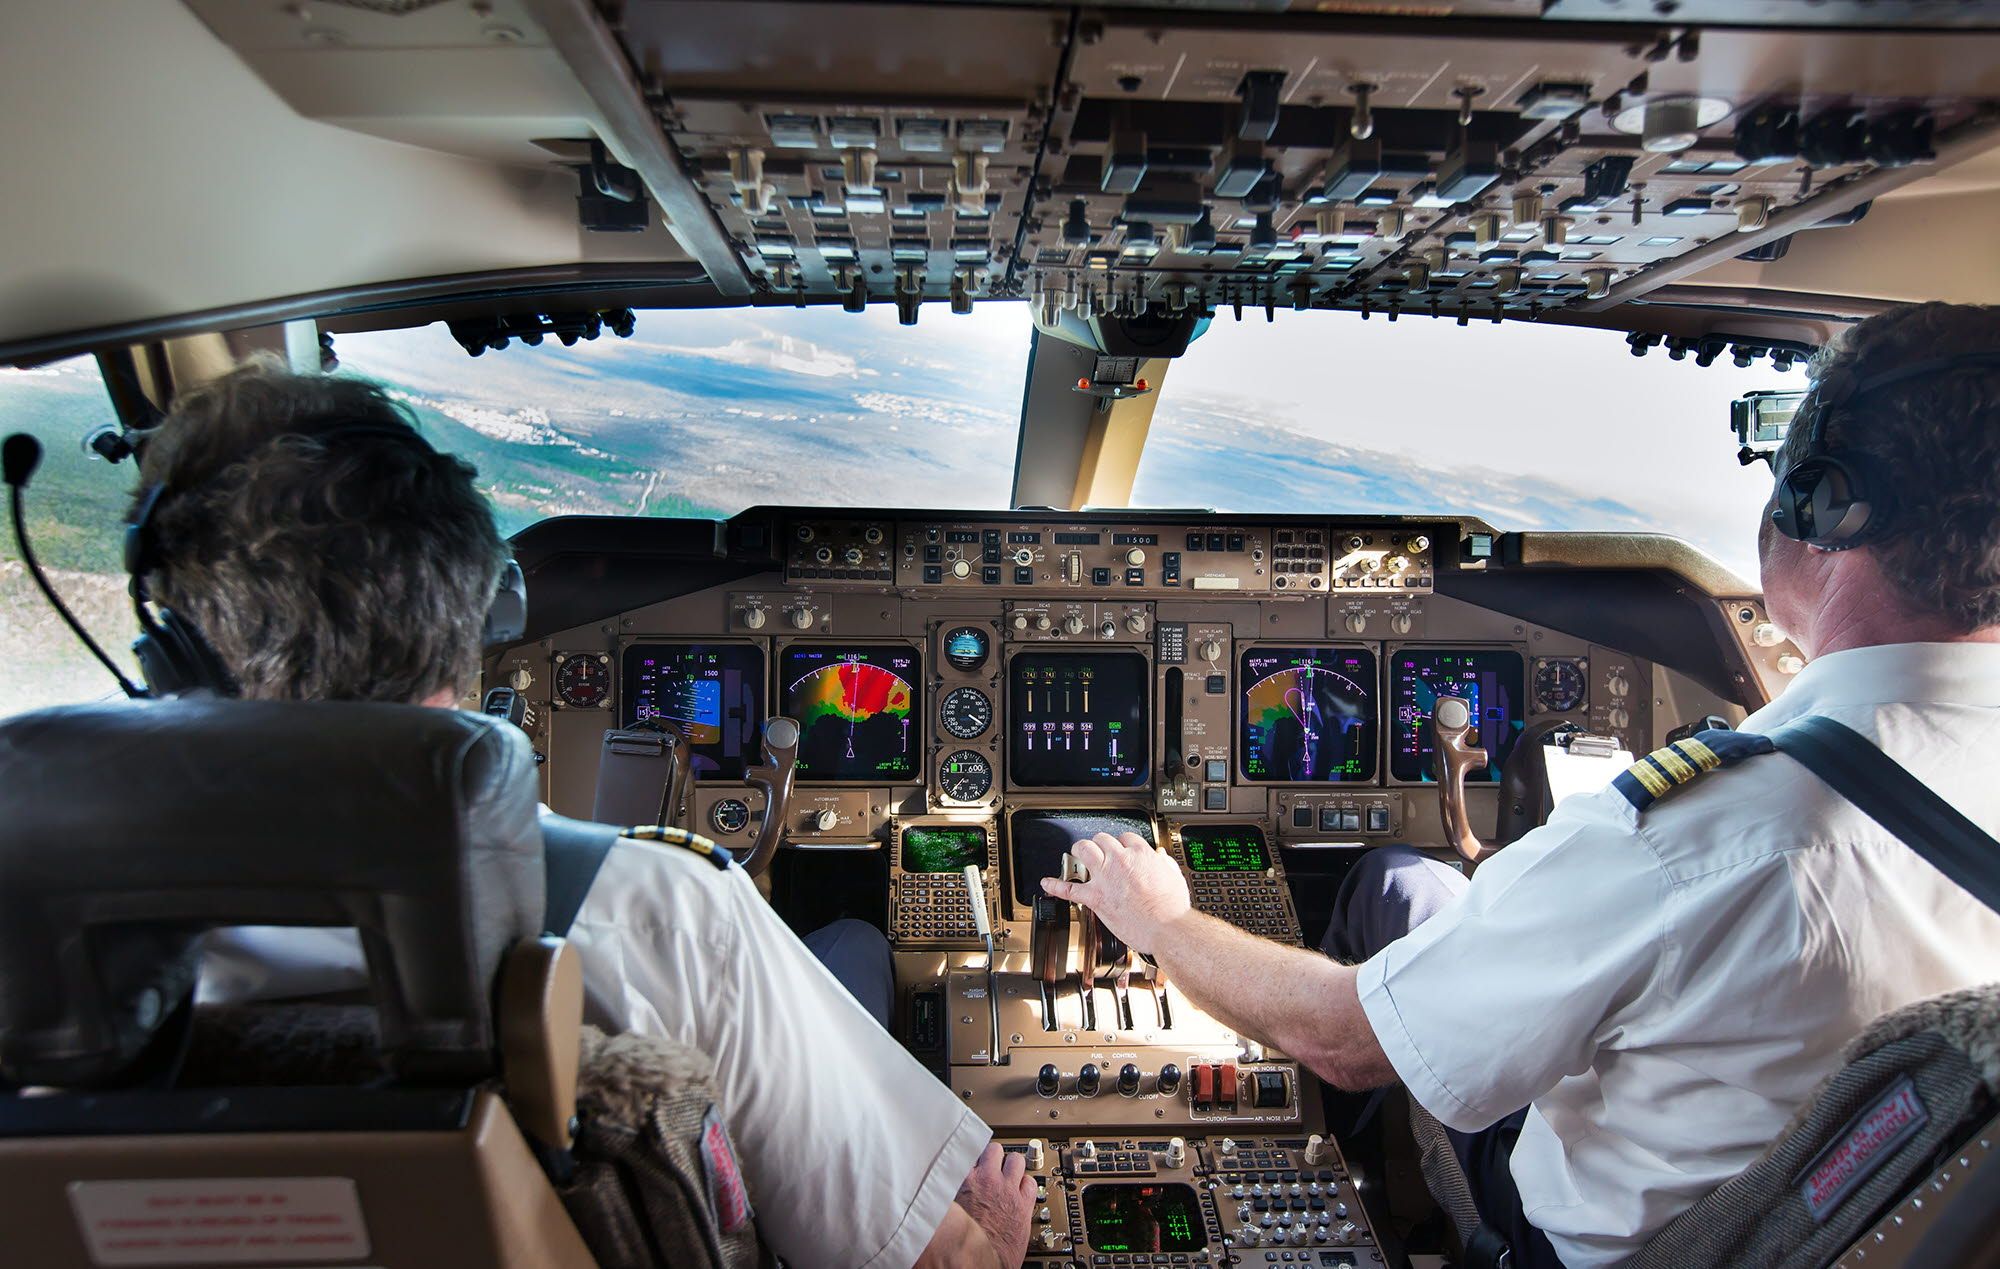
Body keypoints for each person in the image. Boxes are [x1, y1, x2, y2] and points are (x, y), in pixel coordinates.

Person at [1044, 302, 2000, 1268]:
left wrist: (1158, 920)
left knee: (1387, 920)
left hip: (1586, 1241)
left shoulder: (1697, 840)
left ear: (1823, 503)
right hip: (1780, 1225)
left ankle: (1329, 1162)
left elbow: (1345, 1039)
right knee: (1404, 884)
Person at [133, 361, 1034, 1269]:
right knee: (854, 945)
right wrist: (990, 1239)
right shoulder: (662, 909)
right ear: (475, 620)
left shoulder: (56, 941)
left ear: (171, 657)